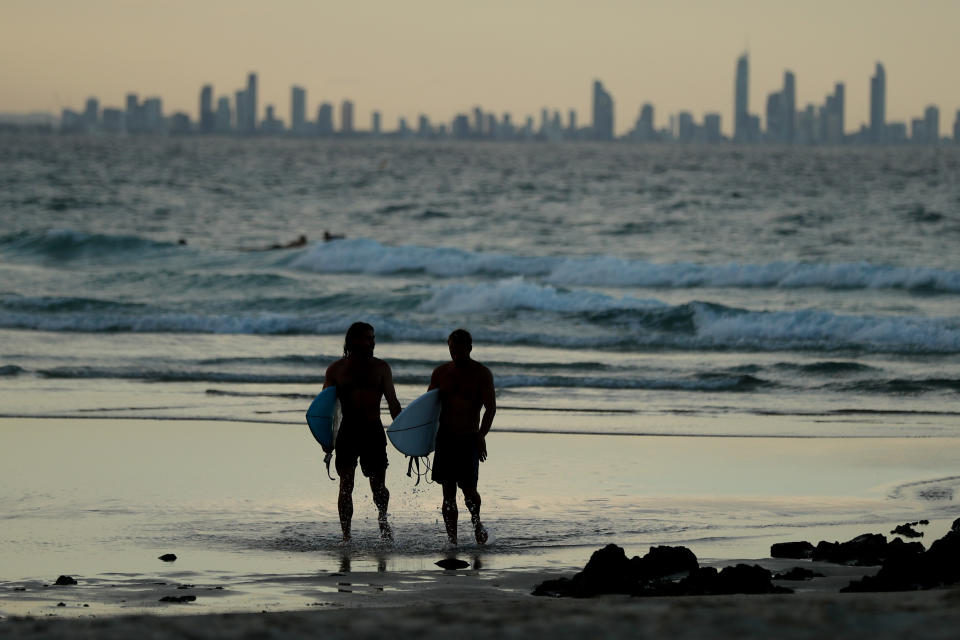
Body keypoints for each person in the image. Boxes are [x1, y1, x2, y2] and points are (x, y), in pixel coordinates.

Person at [323, 322, 402, 542]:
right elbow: (326, 408)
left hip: (373, 431)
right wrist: (326, 438)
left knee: (378, 486)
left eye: (373, 337)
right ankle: (346, 536)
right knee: (346, 484)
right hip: (347, 432)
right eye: (368, 338)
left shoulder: (381, 368)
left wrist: (407, 436)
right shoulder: (336, 370)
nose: (373, 342)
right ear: (354, 341)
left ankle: (383, 519)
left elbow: (393, 404)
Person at [428, 329, 496, 545]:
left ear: (469, 348)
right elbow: (427, 407)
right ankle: (452, 540)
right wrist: (420, 441)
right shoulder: (440, 373)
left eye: (459, 351)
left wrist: (481, 435)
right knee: (447, 493)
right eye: (452, 350)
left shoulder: (481, 373)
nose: (455, 355)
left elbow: (490, 408)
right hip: (445, 438)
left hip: (468, 439)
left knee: (469, 492)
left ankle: (476, 523)